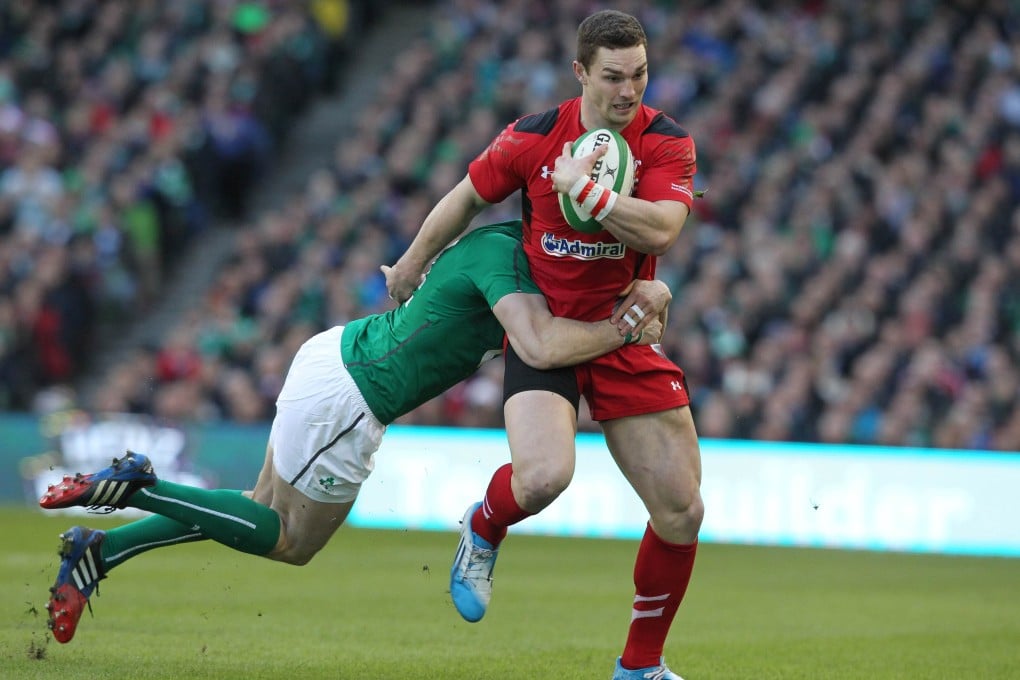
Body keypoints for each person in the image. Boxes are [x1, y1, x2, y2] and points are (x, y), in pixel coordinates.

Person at [38, 219, 671, 644]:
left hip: (337, 356)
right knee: (288, 540)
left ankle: (101, 550)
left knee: (253, 509)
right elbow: (540, 342)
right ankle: (135, 488)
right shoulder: (510, 264)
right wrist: (624, 328)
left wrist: (653, 286)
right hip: (355, 398)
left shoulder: (504, 248)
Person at [382, 10, 703, 680]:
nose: (629, 90)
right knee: (544, 478)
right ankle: (485, 524)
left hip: (623, 331)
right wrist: (412, 263)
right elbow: (467, 197)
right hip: (547, 328)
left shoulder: (667, 142)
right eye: (613, 76)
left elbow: (663, 229)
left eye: (640, 73)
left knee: (681, 510)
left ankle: (639, 667)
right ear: (580, 72)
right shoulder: (533, 137)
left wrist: (586, 190)